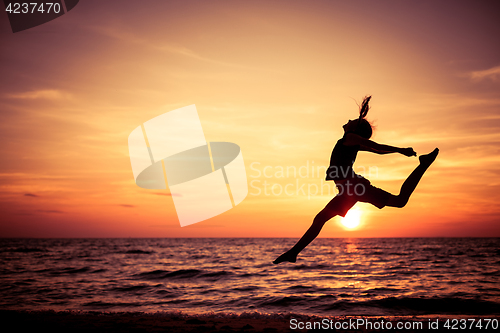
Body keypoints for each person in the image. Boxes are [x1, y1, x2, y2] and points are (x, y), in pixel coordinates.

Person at [273, 96, 439, 264]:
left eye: (352, 120)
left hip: (353, 188)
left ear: (356, 128)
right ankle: (293, 253)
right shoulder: (351, 142)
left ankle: (423, 164)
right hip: (349, 191)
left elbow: (377, 147)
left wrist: (400, 150)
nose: (348, 120)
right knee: (398, 201)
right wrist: (398, 151)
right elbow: (378, 150)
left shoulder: (350, 137)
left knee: (399, 201)